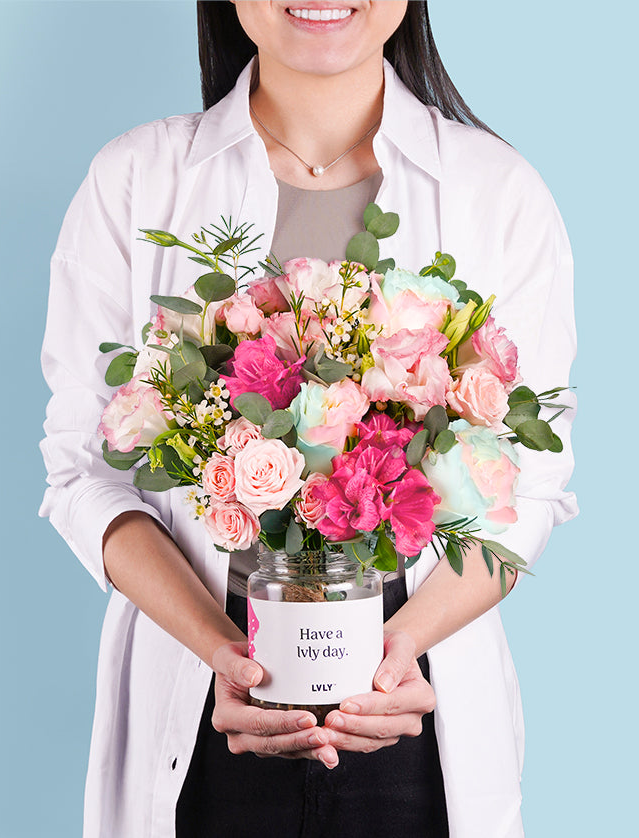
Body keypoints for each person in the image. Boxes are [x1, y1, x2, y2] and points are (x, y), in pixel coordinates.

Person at [39, 2, 577, 836]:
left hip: (417, 730)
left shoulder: (497, 191)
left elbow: (532, 488)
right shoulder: (136, 180)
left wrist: (400, 648)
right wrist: (221, 650)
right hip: (203, 723)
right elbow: (85, 476)